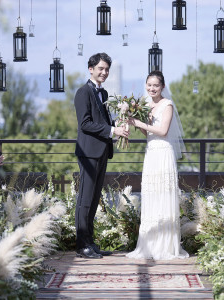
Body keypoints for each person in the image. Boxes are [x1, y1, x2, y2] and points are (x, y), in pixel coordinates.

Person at [126, 71, 189, 260]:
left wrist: (139, 122)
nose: (152, 88)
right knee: (151, 195)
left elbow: (162, 131)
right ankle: (149, 245)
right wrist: (136, 123)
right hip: (151, 153)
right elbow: (149, 134)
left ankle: (165, 246)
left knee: (163, 195)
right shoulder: (145, 105)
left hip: (163, 153)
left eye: (156, 85)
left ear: (162, 87)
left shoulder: (167, 105)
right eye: (149, 85)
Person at [74, 53, 129, 259]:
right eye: (101, 69)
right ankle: (81, 245)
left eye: (107, 69)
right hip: (88, 152)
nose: (104, 73)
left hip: (102, 151)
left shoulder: (103, 94)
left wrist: (119, 125)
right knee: (85, 199)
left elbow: (105, 122)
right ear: (91, 69)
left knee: (94, 198)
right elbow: (85, 123)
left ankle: (90, 242)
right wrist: (113, 131)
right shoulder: (83, 92)